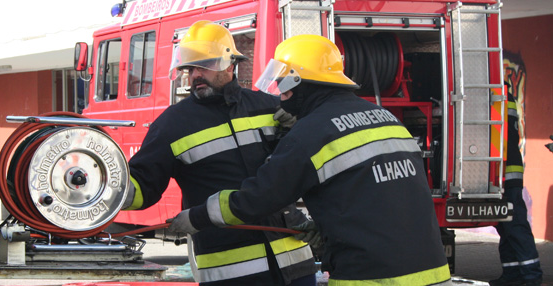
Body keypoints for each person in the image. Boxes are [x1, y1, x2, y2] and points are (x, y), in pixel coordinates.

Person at [168, 34, 452, 285]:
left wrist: (197, 216)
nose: (280, 92)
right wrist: (328, 229)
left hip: (372, 276)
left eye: (283, 83)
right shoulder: (384, 117)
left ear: (299, 81)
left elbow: (258, 198)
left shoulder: (310, 133)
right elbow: (381, 193)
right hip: (433, 272)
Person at [121, 20, 317, 286]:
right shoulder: (171, 125)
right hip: (230, 274)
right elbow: (143, 187)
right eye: (190, 68)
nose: (196, 75)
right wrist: (109, 188)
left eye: (206, 65)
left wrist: (301, 126)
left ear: (230, 64)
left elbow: (306, 169)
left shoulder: (269, 108)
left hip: (295, 267)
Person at [489, 82, 543, 286]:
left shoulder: (498, 95)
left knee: (515, 224)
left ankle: (531, 274)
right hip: (502, 171)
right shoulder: (503, 95)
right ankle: (512, 272)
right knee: (505, 226)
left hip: (507, 173)